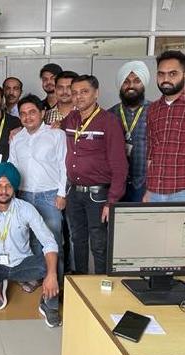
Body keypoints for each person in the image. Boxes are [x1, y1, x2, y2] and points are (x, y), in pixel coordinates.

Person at [0, 162, 62, 328]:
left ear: (14, 187)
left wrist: (51, 275)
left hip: (23, 263)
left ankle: (49, 305)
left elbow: (49, 242)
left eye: (8, 185)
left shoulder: (26, 209)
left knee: (55, 263)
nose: (3, 190)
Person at [62, 74, 128, 274]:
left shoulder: (109, 121)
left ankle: (100, 283)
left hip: (98, 195)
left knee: (99, 243)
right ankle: (80, 281)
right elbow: (51, 131)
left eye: (84, 92)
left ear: (96, 93)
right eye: (75, 93)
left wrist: (111, 201)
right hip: (73, 192)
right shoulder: (71, 119)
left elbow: (120, 165)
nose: (78, 97)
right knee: (77, 239)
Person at [8, 94, 67, 293]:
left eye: (32, 112)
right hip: (24, 195)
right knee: (31, 238)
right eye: (23, 113)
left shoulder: (56, 135)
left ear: (42, 113)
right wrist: (11, 195)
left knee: (53, 239)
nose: (28, 117)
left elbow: (64, 165)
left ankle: (56, 281)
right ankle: (36, 277)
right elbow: (13, 166)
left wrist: (62, 194)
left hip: (50, 195)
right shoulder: (17, 138)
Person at [144, 50, 185, 202]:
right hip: (155, 192)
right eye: (161, 74)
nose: (165, 79)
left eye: (172, 74)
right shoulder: (153, 109)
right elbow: (151, 152)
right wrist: (148, 190)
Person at [109, 61, 152, 203]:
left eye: (136, 81)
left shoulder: (155, 112)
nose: (131, 86)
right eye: (126, 82)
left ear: (143, 84)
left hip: (144, 184)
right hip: (115, 183)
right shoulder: (110, 114)